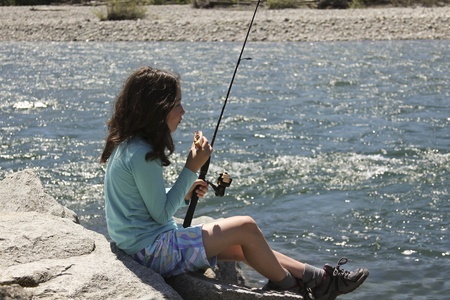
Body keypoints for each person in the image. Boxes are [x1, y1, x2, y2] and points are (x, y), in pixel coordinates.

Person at [100, 66, 369, 300]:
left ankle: (320, 279)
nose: (183, 110)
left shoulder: (129, 145)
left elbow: (145, 205)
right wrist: (191, 168)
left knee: (245, 247)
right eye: (177, 104)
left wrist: (183, 192)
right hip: (152, 252)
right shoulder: (143, 154)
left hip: (143, 246)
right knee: (245, 226)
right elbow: (160, 212)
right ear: (157, 109)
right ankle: (293, 290)